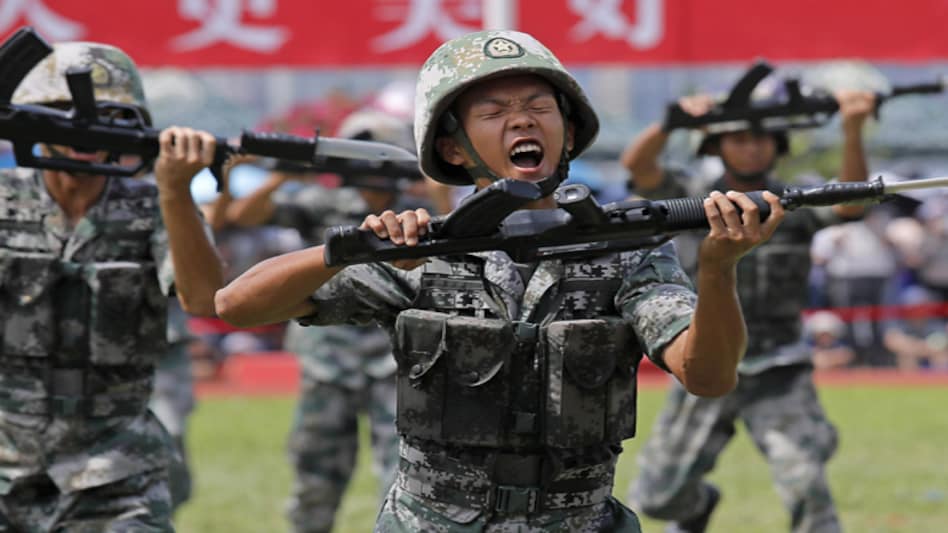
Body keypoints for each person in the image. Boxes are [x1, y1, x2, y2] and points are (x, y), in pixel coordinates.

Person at [215, 30, 784, 532]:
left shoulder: (625, 251)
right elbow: (236, 305)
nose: (522, 120)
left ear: (568, 127)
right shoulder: (422, 253)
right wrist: (351, 251)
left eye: (540, 105)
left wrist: (718, 269)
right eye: (493, 112)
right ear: (451, 147)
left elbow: (707, 375)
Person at [621, 67, 876, 532]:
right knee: (659, 497)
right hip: (707, 361)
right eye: (738, 137)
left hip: (779, 367)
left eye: (762, 137)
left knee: (807, 484)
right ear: (717, 145)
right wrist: (671, 123)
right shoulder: (692, 200)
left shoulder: (794, 203)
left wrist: (853, 129)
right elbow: (638, 170)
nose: (752, 146)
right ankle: (698, 507)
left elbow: (852, 204)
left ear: (778, 146)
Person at [0, 40, 223, 530]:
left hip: (117, 473)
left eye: (111, 115)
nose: (87, 128)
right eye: (66, 112)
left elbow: (204, 297)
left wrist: (175, 191)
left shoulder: (157, 207)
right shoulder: (3, 201)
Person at [224, 105, 422, 533]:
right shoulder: (322, 202)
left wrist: (428, 179)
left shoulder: (417, 212)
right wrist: (286, 173)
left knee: (404, 469)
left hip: (394, 359)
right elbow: (243, 216)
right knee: (317, 470)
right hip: (328, 357)